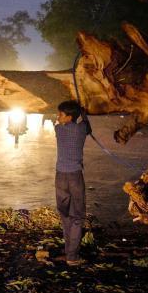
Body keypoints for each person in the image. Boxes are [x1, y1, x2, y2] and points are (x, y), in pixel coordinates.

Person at [53, 100, 92, 266]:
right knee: (77, 216)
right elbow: (87, 127)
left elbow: (62, 123)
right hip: (75, 177)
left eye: (61, 114)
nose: (58, 117)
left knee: (65, 215)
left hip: (60, 177)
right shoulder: (81, 130)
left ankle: (69, 251)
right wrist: (83, 113)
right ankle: (72, 256)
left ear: (68, 117)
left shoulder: (58, 129)